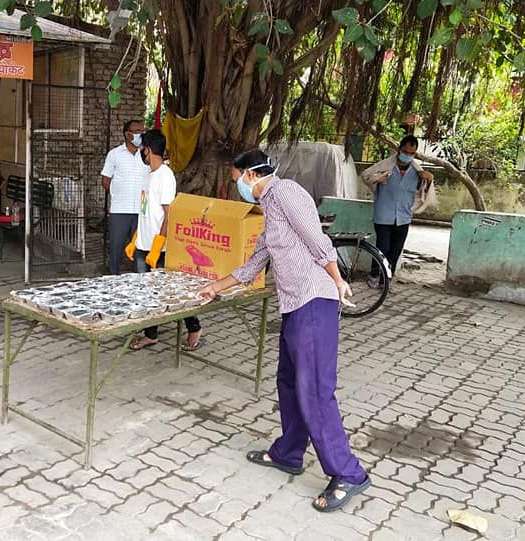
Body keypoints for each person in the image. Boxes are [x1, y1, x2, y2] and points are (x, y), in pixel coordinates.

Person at [200, 149, 370, 513]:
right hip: (294, 306)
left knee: (315, 392)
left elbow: (316, 238)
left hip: (314, 302)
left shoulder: (286, 193)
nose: (237, 189)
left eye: (236, 181)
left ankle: (348, 473)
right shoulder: (270, 210)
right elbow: (256, 262)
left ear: (249, 175)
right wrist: (217, 286)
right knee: (289, 383)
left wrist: (338, 281)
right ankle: (289, 453)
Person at [125, 130, 202, 351]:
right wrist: (136, 239)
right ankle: (150, 334)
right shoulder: (148, 175)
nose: (141, 153)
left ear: (147, 150)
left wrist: (158, 245)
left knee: (173, 291)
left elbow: (170, 215)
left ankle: (194, 327)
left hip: (160, 249)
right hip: (143, 246)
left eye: (142, 150)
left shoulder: (165, 175)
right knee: (145, 292)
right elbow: (145, 210)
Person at [361, 135, 434, 287]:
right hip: (383, 215)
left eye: (411, 153)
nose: (408, 156)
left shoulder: (417, 172)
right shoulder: (385, 166)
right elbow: (366, 176)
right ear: (399, 149)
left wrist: (430, 179)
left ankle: (386, 280)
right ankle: (374, 275)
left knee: (395, 251)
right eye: (405, 151)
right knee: (383, 248)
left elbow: (424, 191)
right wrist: (377, 179)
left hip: (403, 216)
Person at [101, 119, 150, 275]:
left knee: (139, 248)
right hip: (120, 210)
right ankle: (113, 279)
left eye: (143, 131)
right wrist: (118, 193)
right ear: (128, 134)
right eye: (138, 131)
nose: (142, 134)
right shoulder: (114, 154)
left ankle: (138, 281)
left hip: (141, 211)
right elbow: (105, 181)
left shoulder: (147, 155)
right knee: (116, 247)